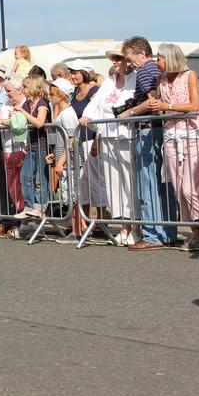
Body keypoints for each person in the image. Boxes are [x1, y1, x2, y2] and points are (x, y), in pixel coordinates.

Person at [148, 43, 199, 251]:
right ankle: (196, 233)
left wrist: (166, 106)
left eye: (159, 58)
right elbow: (161, 109)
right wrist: (155, 106)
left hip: (191, 135)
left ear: (170, 58)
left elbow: (194, 106)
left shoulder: (190, 75)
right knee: (178, 189)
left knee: (190, 189)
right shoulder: (161, 80)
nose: (156, 62)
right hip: (171, 136)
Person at [121, 36, 177, 250]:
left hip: (149, 131)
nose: (129, 63)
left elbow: (152, 101)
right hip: (160, 130)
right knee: (161, 184)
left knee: (148, 183)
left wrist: (129, 112)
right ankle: (166, 232)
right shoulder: (157, 70)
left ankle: (153, 234)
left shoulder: (145, 70)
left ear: (142, 53)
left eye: (130, 58)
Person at [81, 46, 138, 246]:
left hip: (125, 136)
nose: (115, 61)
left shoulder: (135, 79)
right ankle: (123, 225)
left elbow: (133, 104)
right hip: (107, 137)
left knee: (129, 182)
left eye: (118, 58)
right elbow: (95, 103)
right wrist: (88, 116)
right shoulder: (108, 82)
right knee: (114, 183)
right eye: (113, 58)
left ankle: (135, 226)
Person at [69, 59, 108, 238]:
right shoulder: (75, 91)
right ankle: (84, 221)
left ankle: (101, 220)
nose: (72, 75)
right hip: (80, 140)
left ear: (84, 73)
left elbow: (99, 116)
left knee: (97, 181)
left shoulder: (94, 91)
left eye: (76, 72)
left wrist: (96, 142)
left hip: (93, 141)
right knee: (83, 183)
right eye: (71, 72)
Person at [0, 75, 28, 238]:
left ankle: (26, 222)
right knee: (13, 187)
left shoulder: (26, 103)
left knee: (24, 185)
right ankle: (21, 219)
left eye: (9, 91)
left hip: (22, 148)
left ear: (19, 90)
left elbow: (21, 121)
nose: (7, 94)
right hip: (8, 149)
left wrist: (1, 122)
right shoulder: (7, 104)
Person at [45, 78, 81, 240]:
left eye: (52, 94)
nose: (50, 96)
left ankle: (76, 230)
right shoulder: (64, 113)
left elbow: (72, 140)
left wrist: (61, 161)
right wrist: (56, 154)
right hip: (64, 157)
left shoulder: (67, 114)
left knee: (73, 196)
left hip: (70, 161)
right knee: (69, 196)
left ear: (61, 94)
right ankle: (75, 229)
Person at [14, 75, 50, 219]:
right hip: (31, 146)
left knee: (41, 179)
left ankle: (40, 206)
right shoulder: (27, 104)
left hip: (42, 146)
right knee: (25, 176)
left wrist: (23, 112)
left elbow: (39, 122)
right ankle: (28, 206)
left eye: (25, 87)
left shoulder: (42, 103)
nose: (23, 90)